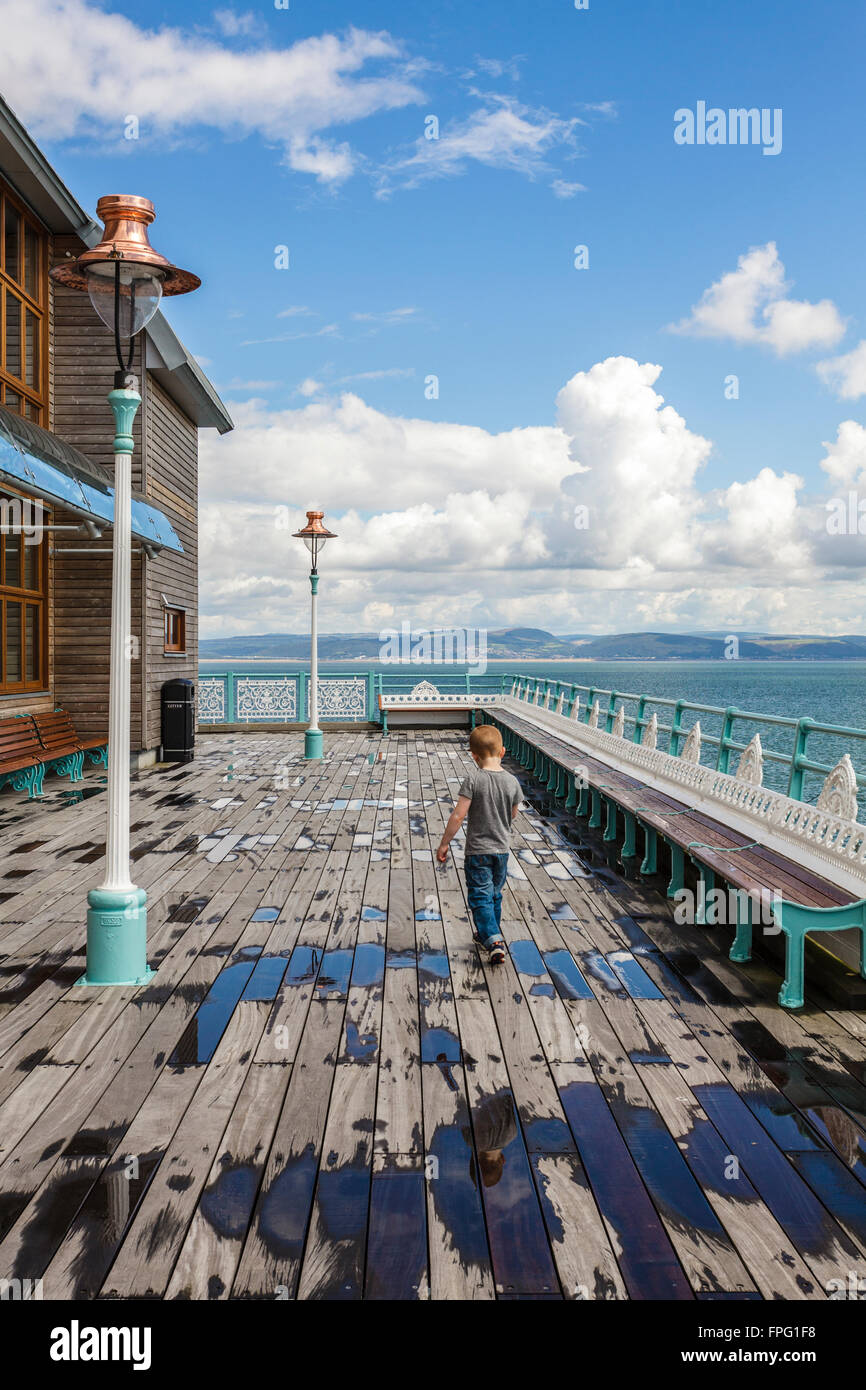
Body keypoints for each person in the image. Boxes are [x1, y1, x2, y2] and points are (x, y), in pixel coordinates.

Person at [436, 723, 522, 965]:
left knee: (479, 896)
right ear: (503, 752)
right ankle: (486, 933)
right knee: (494, 894)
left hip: (477, 852)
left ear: (474, 756)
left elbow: (458, 816)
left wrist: (444, 844)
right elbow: (514, 813)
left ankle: (494, 940)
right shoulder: (512, 782)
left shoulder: (473, 779)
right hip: (502, 851)